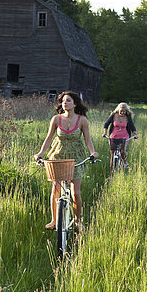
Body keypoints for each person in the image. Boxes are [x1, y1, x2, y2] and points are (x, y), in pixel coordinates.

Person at [34, 91, 98, 231]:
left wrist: (93, 152)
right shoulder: (56, 119)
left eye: (68, 100)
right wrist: (40, 153)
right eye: (63, 101)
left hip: (76, 158)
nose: (65, 103)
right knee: (55, 189)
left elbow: (88, 140)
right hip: (57, 156)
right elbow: (49, 138)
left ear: (75, 103)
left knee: (75, 193)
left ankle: (77, 221)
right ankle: (54, 220)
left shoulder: (82, 120)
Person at [103, 102, 138, 171]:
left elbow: (132, 126)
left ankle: (125, 162)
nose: (122, 113)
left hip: (124, 137)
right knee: (112, 155)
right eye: (121, 111)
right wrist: (104, 133)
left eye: (124, 111)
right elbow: (106, 124)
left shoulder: (127, 117)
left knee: (122, 151)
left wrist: (135, 134)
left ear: (126, 111)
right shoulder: (113, 116)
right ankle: (111, 173)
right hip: (113, 136)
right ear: (118, 110)